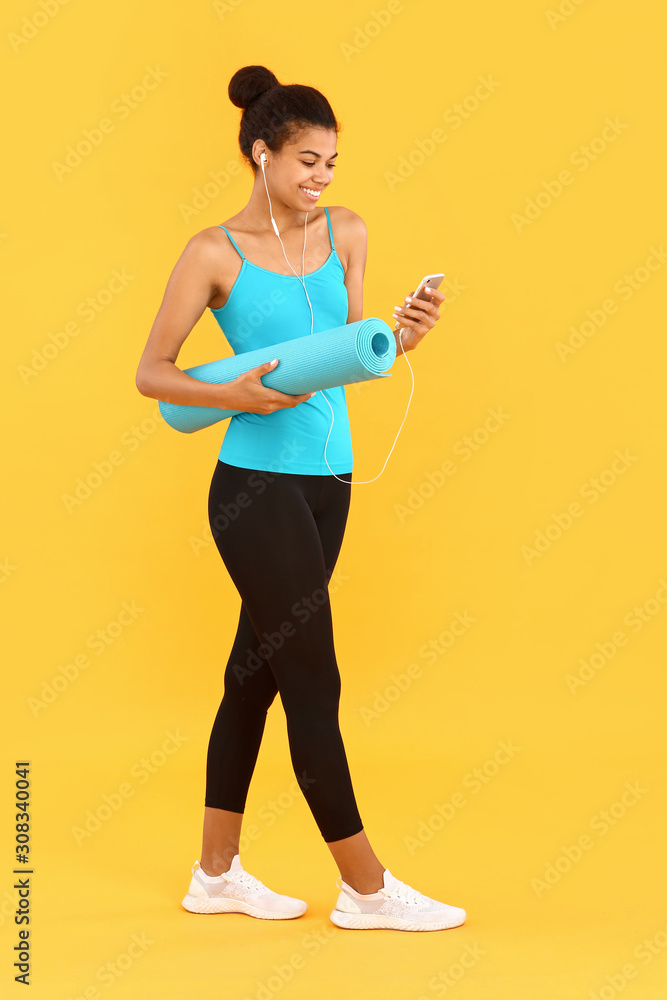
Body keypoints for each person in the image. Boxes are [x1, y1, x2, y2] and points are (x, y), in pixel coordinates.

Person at [135, 64, 465, 932]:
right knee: (314, 683)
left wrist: (399, 337)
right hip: (254, 486)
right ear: (261, 155)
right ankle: (365, 887)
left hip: (331, 480)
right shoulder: (215, 252)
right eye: (306, 162)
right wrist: (234, 393)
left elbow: (353, 350)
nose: (321, 179)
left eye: (330, 165)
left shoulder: (347, 232)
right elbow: (152, 373)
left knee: (254, 678)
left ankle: (214, 874)